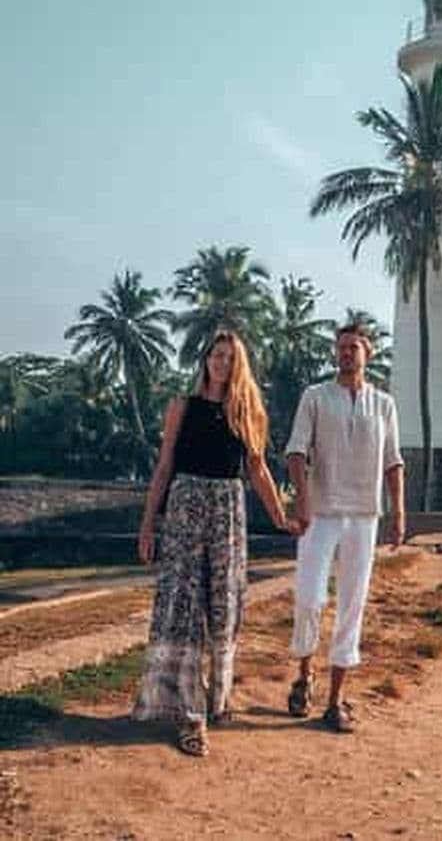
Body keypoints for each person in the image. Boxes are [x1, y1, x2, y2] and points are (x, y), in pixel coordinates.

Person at [132, 330, 291, 756]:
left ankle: (216, 699)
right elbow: (164, 467)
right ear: (205, 360)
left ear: (238, 364)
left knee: (224, 606)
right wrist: (148, 524)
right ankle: (189, 717)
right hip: (184, 508)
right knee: (181, 610)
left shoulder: (247, 410)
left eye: (229, 357)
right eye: (215, 355)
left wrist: (280, 517)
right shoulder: (181, 408)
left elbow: (257, 470)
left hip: (228, 511)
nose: (221, 363)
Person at [285, 322, 405, 733]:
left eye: (354, 347)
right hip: (319, 514)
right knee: (308, 598)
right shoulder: (315, 397)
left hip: (365, 516)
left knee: (352, 605)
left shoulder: (384, 404)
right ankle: (304, 674)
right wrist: (302, 499)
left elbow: (393, 461)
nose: (347, 353)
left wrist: (398, 513)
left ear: (367, 354)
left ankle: (336, 701)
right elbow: (296, 451)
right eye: (341, 347)